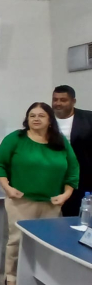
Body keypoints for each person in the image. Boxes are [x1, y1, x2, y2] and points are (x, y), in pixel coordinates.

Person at [0, 102, 79, 285]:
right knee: (17, 240)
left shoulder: (60, 142)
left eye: (41, 115)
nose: (36, 119)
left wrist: (66, 194)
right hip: (21, 201)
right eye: (32, 115)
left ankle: (41, 276)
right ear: (27, 119)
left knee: (47, 242)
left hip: (51, 203)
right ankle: (12, 276)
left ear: (50, 120)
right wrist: (8, 188)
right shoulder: (16, 138)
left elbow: (73, 171)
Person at [52, 85, 92, 217]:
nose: (58, 103)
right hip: (54, 177)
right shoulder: (46, 119)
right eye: (55, 99)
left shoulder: (88, 118)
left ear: (73, 101)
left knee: (78, 216)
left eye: (63, 100)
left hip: (83, 178)